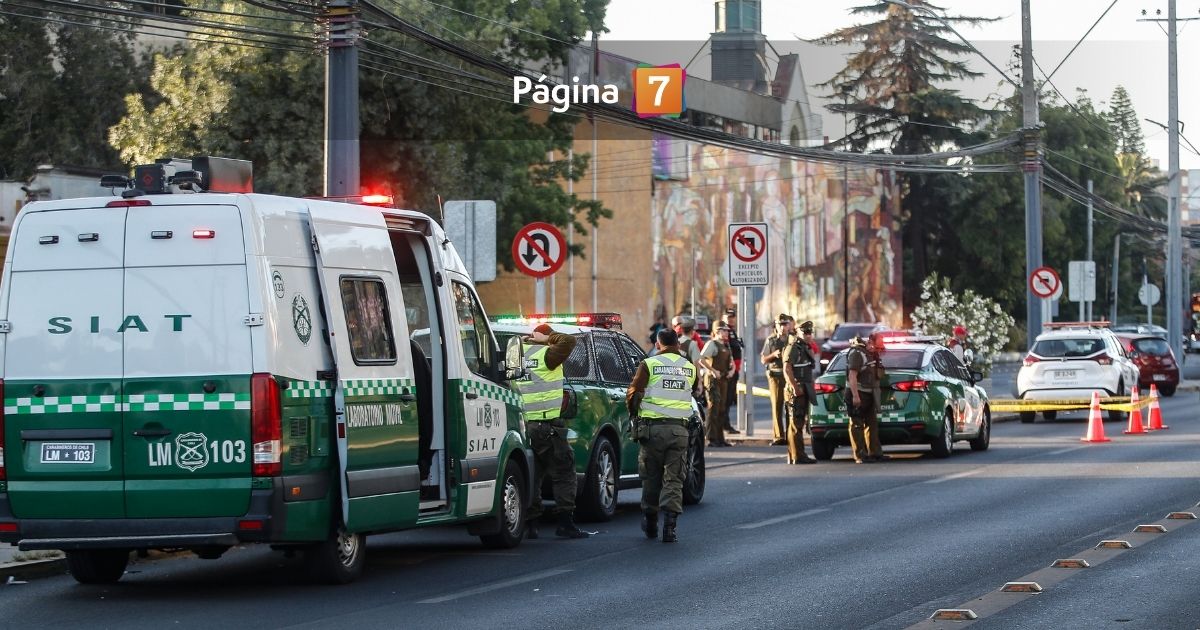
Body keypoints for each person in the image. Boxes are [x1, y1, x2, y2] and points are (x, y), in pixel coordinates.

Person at [515, 323, 589, 539]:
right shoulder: (548, 354)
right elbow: (569, 340)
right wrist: (544, 339)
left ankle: (530, 524)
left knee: (532, 475)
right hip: (547, 426)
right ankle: (565, 523)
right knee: (564, 472)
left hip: (523, 426)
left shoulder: (517, 355)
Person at [627, 329, 697, 543]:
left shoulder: (650, 364)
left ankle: (650, 522)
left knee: (651, 477)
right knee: (674, 479)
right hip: (679, 431)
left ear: (658, 344)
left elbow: (634, 392)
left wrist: (633, 413)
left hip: (653, 430)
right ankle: (670, 527)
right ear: (678, 344)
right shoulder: (690, 367)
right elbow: (691, 392)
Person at [846, 333, 885, 464]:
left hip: (869, 394)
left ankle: (875, 453)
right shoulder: (857, 353)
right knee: (857, 425)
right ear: (869, 342)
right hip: (858, 393)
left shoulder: (870, 354)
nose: (878, 350)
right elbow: (852, 376)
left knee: (872, 424)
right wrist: (856, 396)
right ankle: (860, 455)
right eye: (877, 347)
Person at [782, 321, 818, 464]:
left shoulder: (804, 347)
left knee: (799, 423)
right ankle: (798, 455)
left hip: (804, 387)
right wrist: (795, 388)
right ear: (798, 333)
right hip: (797, 389)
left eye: (810, 333)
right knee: (796, 423)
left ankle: (795, 454)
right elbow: (787, 369)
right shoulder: (793, 347)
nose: (808, 336)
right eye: (805, 333)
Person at [699, 323, 735, 448]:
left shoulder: (726, 345)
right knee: (713, 408)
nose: (726, 333)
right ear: (717, 331)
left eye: (726, 330)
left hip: (724, 380)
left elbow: (731, 363)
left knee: (722, 409)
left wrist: (732, 370)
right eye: (723, 330)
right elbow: (701, 359)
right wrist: (713, 370)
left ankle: (720, 438)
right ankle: (711, 438)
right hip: (713, 380)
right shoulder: (712, 344)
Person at [760, 314, 794, 446]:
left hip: (789, 376)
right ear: (776, 326)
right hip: (776, 375)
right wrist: (773, 355)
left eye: (786, 324)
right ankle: (779, 436)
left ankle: (790, 434)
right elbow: (763, 359)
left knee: (790, 406)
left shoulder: (792, 339)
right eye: (781, 324)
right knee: (777, 406)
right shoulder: (771, 340)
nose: (783, 327)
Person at [721, 308, 743, 435]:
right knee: (726, 399)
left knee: (729, 399)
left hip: (734, 371)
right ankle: (724, 424)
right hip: (729, 371)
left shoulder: (732, 331)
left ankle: (726, 424)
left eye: (732, 317)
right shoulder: (725, 331)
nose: (731, 319)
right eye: (728, 317)